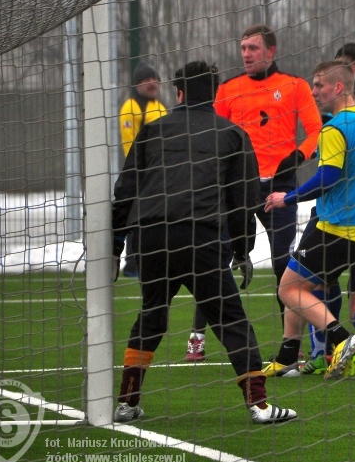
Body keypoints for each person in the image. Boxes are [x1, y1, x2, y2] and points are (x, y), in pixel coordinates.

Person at [111, 60, 296, 424]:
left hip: (151, 238)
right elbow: (242, 200)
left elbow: (125, 191)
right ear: (214, 94)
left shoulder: (152, 131)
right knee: (231, 321)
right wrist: (242, 250)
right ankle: (259, 405)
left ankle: (127, 403)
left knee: (151, 317)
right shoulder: (232, 134)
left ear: (179, 93)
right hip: (201, 237)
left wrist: (115, 246)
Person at [184, 24, 322, 362]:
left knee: (283, 266)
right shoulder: (229, 89)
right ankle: (196, 337)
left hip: (280, 189)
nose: (246, 54)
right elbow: (212, 133)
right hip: (237, 189)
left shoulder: (294, 86)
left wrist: (298, 156)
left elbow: (316, 130)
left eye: (253, 48)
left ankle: (291, 348)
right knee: (214, 259)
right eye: (243, 48)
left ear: (271, 51)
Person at [263, 60, 355, 380]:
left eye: (319, 85)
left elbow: (327, 178)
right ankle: (287, 356)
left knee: (288, 288)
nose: (314, 91)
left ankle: (342, 339)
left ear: (338, 87)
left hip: (336, 227)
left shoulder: (334, 129)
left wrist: (287, 197)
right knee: (304, 281)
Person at [118, 62, 167, 278]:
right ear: (137, 84)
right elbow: (129, 144)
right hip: (140, 174)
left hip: (159, 173)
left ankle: (152, 261)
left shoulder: (160, 107)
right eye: (147, 80)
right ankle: (132, 264)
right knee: (136, 217)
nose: (152, 83)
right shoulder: (130, 107)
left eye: (154, 79)